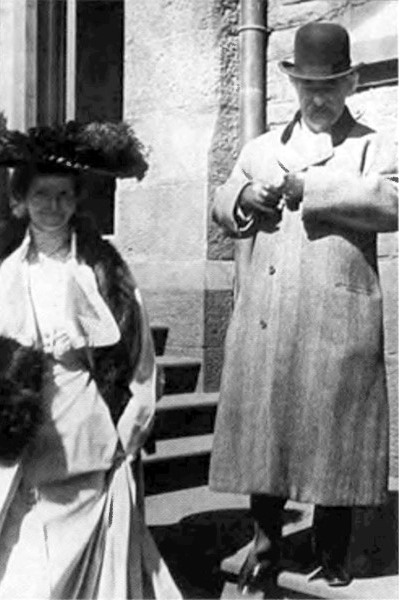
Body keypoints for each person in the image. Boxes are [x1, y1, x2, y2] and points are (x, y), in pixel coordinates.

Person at [0, 121, 182, 599]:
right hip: (11, 420)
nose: (52, 206)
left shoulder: (102, 266)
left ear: (77, 200)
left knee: (81, 564)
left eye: (64, 195)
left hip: (81, 419)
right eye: (41, 194)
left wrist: (130, 425)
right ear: (21, 198)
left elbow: (139, 356)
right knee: (18, 560)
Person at [209, 21, 398, 593]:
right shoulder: (263, 147)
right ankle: (266, 541)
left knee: (337, 429)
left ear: (351, 84)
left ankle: (332, 549)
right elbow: (223, 198)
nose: (319, 99)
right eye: (309, 87)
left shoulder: (370, 145)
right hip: (270, 312)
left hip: (337, 314)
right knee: (266, 428)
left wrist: (311, 190)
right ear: (293, 85)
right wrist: (246, 195)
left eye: (331, 87)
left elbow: (393, 201)